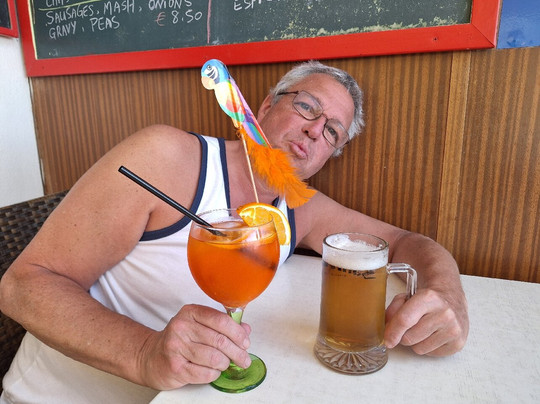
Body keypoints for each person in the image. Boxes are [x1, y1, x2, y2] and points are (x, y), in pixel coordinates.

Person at [0, 61, 468, 403]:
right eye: (307, 106)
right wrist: (145, 352)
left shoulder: (300, 208)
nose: (314, 131)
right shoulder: (167, 159)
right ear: (264, 106)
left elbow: (407, 243)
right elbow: (22, 286)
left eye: (332, 132)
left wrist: (447, 296)